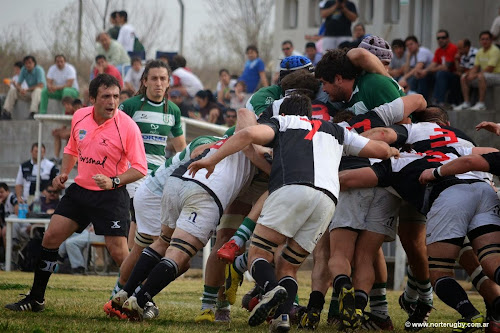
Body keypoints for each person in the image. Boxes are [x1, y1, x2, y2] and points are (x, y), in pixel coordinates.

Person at [187, 94, 398, 332]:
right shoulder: (337, 131)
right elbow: (377, 150)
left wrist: (212, 160)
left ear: (284, 113)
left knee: (259, 252)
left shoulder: (283, 123)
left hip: (292, 188)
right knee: (288, 266)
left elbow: (246, 135)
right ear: (309, 114)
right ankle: (282, 318)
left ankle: (271, 288)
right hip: (328, 199)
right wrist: (391, 151)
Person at [4, 74, 147, 312]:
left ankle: (145, 299)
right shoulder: (80, 116)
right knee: (50, 237)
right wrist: (64, 173)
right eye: (106, 96)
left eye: (115, 96)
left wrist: (113, 181)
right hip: (80, 190)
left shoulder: (128, 127)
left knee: (120, 253)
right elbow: (71, 147)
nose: (112, 102)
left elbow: (140, 168)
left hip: (111, 195)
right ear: (92, 99)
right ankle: (36, 298)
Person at [114, 60, 186, 294]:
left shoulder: (172, 111)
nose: (158, 83)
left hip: (158, 178)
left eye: (162, 79)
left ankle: (125, 290)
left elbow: (181, 151)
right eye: (153, 78)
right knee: (147, 239)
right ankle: (128, 291)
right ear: (144, 81)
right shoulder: (130, 106)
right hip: (133, 176)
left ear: (168, 83)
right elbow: (114, 140)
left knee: (142, 241)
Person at [454, 31, 500, 111]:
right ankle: (466, 103)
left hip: (496, 75)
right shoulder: (480, 51)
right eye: (482, 39)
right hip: (486, 76)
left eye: (487, 39)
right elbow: (475, 67)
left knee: (480, 76)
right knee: (464, 77)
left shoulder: (495, 50)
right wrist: (469, 74)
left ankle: (481, 104)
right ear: (480, 41)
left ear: (491, 40)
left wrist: (474, 75)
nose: (484, 41)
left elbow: (490, 68)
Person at [421, 30, 459, 106]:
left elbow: (446, 67)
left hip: (454, 75)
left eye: (443, 38)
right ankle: (423, 101)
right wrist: (424, 71)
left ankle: (439, 101)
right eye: (438, 38)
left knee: (441, 74)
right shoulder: (438, 50)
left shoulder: (453, 48)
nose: (440, 40)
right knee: (425, 76)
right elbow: (433, 64)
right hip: (442, 74)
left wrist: (431, 69)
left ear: (448, 39)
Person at [2, 55, 46, 120]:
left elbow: (41, 85)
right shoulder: (23, 69)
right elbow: (19, 84)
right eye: (26, 63)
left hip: (40, 93)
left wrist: (27, 89)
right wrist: (20, 89)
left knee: (37, 90)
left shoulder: (39, 70)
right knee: (13, 90)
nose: (27, 65)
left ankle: (33, 113)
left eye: (30, 63)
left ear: (34, 63)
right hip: (29, 93)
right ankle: (6, 113)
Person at [51, 97, 77, 163]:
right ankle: (56, 157)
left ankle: (70, 158)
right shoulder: (67, 112)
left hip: (79, 132)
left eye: (68, 105)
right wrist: (58, 130)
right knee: (56, 134)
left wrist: (64, 132)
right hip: (72, 131)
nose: (66, 107)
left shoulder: (77, 111)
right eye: (65, 105)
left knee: (69, 135)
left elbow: (77, 128)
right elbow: (64, 126)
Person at [0, 182, 18, 255]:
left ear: (7, 191)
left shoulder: (12, 197)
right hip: (6, 225)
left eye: (2, 192)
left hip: (16, 225)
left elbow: (17, 205)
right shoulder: (2, 202)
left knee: (4, 231)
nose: (0, 194)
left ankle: (8, 257)